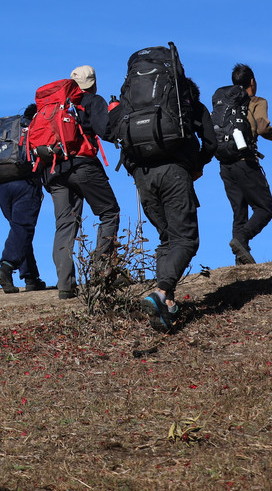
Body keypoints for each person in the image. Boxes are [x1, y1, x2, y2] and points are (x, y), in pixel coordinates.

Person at [129, 76, 217, 331]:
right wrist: (197, 164)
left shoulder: (138, 105)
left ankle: (166, 304)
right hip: (175, 174)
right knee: (186, 240)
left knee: (168, 239)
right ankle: (160, 292)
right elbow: (211, 142)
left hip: (143, 177)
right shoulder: (190, 105)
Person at [45, 66, 122, 300]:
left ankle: (65, 285)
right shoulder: (91, 100)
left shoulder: (55, 105)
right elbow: (107, 131)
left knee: (65, 225)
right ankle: (101, 273)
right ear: (93, 83)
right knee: (109, 213)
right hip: (82, 165)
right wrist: (116, 114)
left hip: (54, 170)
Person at [0, 105, 48, 293]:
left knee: (19, 230)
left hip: (1, 186)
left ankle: (31, 277)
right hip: (25, 184)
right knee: (22, 228)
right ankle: (6, 268)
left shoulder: (5, 130)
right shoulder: (35, 127)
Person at [220, 64, 272, 265]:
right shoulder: (257, 101)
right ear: (252, 82)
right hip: (245, 161)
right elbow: (261, 128)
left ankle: (241, 261)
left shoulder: (226, 103)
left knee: (239, 210)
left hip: (225, 164)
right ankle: (242, 239)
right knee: (266, 208)